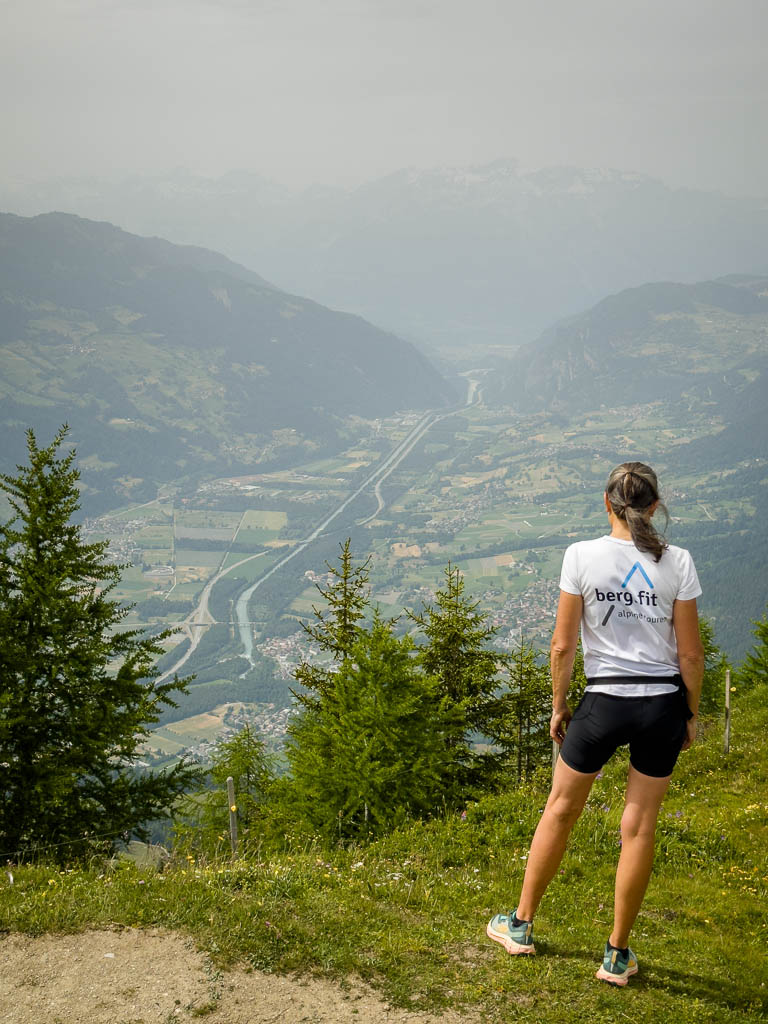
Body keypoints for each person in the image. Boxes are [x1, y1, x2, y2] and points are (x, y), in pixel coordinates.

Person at [487, 462, 704, 986]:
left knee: (560, 809)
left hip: (603, 702)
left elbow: (562, 645)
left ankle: (521, 925)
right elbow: (691, 655)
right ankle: (616, 953)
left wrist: (559, 705)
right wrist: (691, 713)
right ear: (655, 506)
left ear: (606, 504)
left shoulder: (580, 556)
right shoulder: (677, 561)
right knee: (640, 827)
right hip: (661, 705)